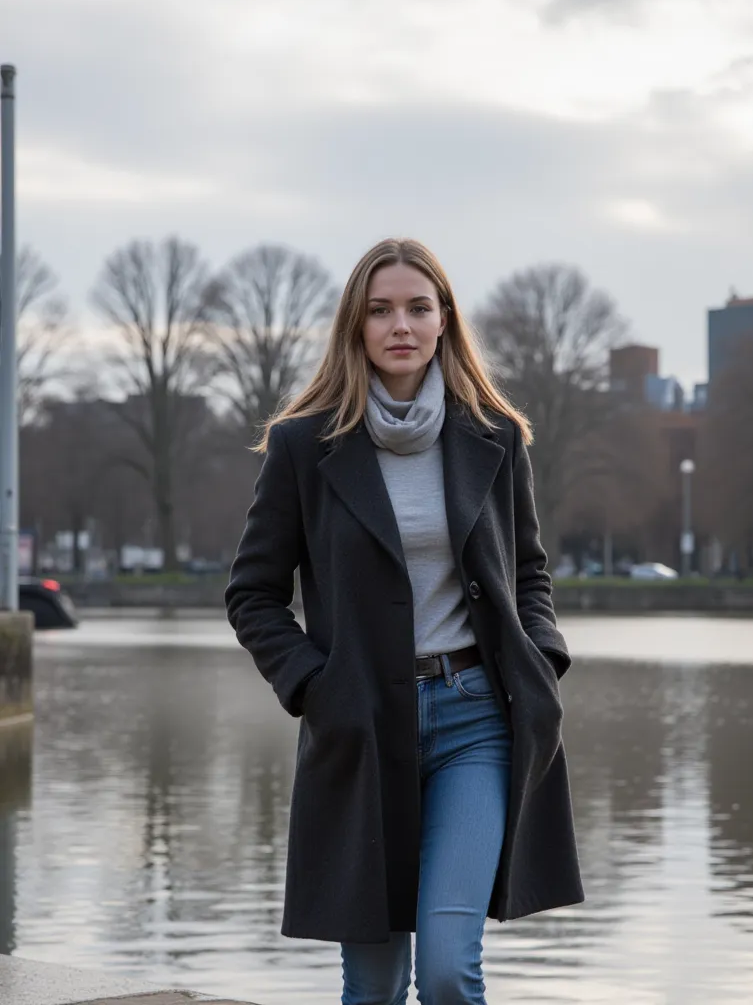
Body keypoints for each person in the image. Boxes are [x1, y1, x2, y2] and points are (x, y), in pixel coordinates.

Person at [225, 237, 583, 1004]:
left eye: (419, 308)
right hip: (360, 725)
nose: (401, 325)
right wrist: (316, 687)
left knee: (452, 969)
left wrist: (541, 658)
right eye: (380, 310)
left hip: (475, 720)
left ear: (445, 321)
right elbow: (252, 594)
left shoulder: (495, 434)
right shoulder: (302, 445)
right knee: (377, 984)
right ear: (355, 326)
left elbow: (528, 571)